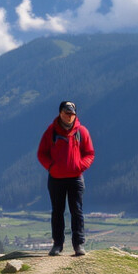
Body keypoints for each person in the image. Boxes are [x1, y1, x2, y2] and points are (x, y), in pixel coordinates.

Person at [37, 100, 95, 256]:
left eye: (72, 114)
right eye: (66, 113)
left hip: (76, 178)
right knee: (57, 212)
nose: (69, 117)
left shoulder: (82, 132)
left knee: (77, 211)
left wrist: (80, 166)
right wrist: (51, 167)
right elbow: (41, 153)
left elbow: (89, 153)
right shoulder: (51, 132)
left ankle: (78, 245)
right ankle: (57, 245)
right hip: (56, 178)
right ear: (60, 113)